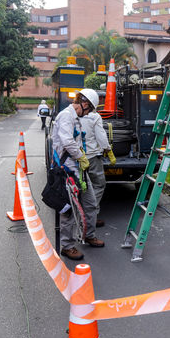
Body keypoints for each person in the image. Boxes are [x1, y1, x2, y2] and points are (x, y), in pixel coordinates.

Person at [51, 89, 105, 260]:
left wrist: (81, 158)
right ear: (85, 103)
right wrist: (81, 157)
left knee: (90, 202)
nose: (88, 113)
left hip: (78, 169)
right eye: (89, 110)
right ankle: (67, 246)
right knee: (69, 209)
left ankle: (88, 234)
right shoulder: (66, 116)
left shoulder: (76, 118)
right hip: (67, 170)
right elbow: (66, 141)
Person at [80, 110, 116, 227]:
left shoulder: (72, 114)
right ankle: (91, 216)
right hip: (92, 156)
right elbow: (101, 136)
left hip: (78, 156)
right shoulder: (95, 116)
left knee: (82, 185)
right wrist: (107, 149)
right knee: (98, 185)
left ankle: (81, 214)